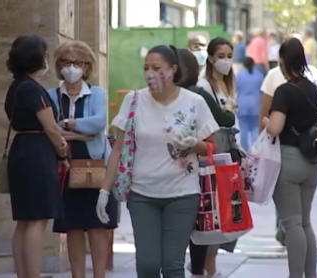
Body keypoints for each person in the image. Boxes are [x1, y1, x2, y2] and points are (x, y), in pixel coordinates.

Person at [96, 44, 220, 278]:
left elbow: (212, 146)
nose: (150, 73)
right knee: (148, 265)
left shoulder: (195, 102)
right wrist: (104, 191)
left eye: (157, 68)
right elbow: (117, 150)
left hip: (183, 194)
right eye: (146, 68)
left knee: (173, 265)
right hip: (142, 195)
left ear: (173, 70)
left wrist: (194, 144)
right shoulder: (133, 101)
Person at [48, 40, 117, 278]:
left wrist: (67, 124)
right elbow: (51, 130)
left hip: (95, 167)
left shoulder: (96, 93)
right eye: (66, 62)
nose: (71, 68)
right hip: (65, 168)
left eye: (77, 63)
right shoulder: (51, 95)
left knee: (98, 227)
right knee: (73, 227)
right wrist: (80, 133)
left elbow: (98, 123)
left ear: (86, 66)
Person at [4, 35, 68, 278]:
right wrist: (62, 151)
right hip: (37, 154)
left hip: (21, 150)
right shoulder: (33, 88)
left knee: (23, 220)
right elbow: (51, 128)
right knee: (37, 220)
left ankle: (23, 273)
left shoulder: (15, 86)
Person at [259, 33, 317, 247]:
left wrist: (265, 122)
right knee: (306, 223)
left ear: (282, 61)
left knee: (292, 224)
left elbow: (276, 127)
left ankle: (295, 273)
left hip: (289, 159)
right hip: (312, 161)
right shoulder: (314, 89)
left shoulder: (284, 91)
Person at [176, 48, 236, 278]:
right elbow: (225, 119)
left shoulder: (174, 95)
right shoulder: (199, 92)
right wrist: (228, 108)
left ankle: (194, 268)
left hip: (173, 170)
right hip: (202, 168)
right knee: (203, 220)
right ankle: (201, 270)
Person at [196, 37, 237, 278]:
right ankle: (208, 268)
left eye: (229, 56)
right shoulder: (205, 85)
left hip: (229, 148)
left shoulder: (230, 82)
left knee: (227, 209)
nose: (225, 61)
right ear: (211, 58)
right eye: (221, 56)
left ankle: (210, 265)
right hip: (214, 148)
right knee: (214, 211)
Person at [236, 57, 263, 150]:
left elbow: (235, 89)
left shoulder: (239, 75)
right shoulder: (259, 76)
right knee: (254, 128)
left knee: (243, 129)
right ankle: (255, 149)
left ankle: (244, 151)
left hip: (242, 104)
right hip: (256, 105)